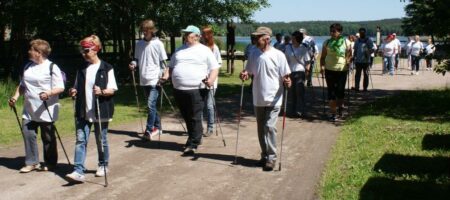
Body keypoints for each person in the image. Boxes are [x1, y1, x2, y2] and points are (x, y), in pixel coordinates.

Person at [65, 35, 118, 183]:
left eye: (86, 50)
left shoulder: (106, 68)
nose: (83, 53)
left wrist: (102, 91)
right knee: (80, 139)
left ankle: (103, 164)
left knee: (101, 139)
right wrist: (73, 91)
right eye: (82, 50)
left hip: (101, 108)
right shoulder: (81, 68)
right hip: (83, 109)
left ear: (95, 50)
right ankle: (78, 171)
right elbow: (76, 85)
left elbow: (112, 89)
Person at [8, 39, 65, 172]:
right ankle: (31, 162)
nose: (29, 52)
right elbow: (23, 85)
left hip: (46, 109)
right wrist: (15, 97)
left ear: (39, 52)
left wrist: (48, 93)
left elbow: (60, 87)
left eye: (31, 50)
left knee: (48, 137)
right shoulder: (28, 66)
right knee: (28, 134)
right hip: (29, 109)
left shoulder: (51, 67)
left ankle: (50, 162)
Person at [240, 26, 291, 171]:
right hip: (258, 97)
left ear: (267, 39)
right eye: (255, 37)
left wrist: (288, 82)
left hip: (275, 98)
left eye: (259, 38)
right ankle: (264, 155)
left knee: (269, 126)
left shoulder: (278, 55)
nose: (255, 40)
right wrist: (244, 74)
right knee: (260, 128)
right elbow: (248, 71)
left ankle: (272, 157)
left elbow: (286, 76)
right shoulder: (254, 53)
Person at [169, 25, 220, 155]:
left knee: (195, 115)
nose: (186, 36)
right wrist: (165, 76)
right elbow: (171, 66)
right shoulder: (179, 50)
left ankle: (193, 143)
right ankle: (193, 137)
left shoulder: (205, 50)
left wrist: (211, 80)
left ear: (197, 36)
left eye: (189, 33)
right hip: (179, 89)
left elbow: (214, 68)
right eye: (185, 33)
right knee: (186, 115)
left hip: (197, 89)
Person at [129, 19, 169, 141]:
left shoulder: (158, 44)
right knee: (152, 106)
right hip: (143, 78)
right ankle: (158, 127)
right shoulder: (139, 44)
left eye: (146, 31)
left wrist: (164, 76)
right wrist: (133, 64)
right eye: (143, 31)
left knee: (150, 105)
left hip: (155, 79)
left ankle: (149, 130)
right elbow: (136, 59)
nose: (144, 33)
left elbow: (163, 63)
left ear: (152, 31)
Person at [320, 23, 352, 121]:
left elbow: (349, 55)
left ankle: (340, 109)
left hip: (342, 70)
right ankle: (333, 113)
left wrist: (348, 61)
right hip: (329, 69)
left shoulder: (346, 42)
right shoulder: (327, 42)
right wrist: (321, 66)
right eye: (331, 31)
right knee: (331, 92)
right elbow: (323, 56)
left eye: (334, 31)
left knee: (340, 91)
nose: (332, 33)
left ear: (340, 32)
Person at [201, 25, 222, 137]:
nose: (202, 35)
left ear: (209, 35)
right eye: (201, 33)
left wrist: (211, 77)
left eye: (204, 33)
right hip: (199, 81)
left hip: (211, 80)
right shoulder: (199, 47)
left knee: (209, 105)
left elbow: (218, 64)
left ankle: (210, 127)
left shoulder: (214, 47)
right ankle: (199, 127)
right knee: (199, 105)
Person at [285, 31, 310, 118]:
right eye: (292, 38)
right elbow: (286, 60)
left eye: (293, 38)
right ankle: (293, 110)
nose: (292, 39)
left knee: (300, 92)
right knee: (292, 92)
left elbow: (307, 61)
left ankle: (302, 110)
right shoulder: (288, 47)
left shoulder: (303, 48)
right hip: (290, 72)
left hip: (300, 72)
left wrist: (307, 73)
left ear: (298, 39)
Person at [353, 28, 375, 92]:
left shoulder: (369, 40)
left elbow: (373, 49)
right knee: (357, 75)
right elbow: (355, 50)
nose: (362, 33)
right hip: (358, 61)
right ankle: (357, 88)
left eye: (363, 32)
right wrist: (354, 57)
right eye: (360, 32)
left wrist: (368, 52)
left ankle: (365, 88)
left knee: (366, 75)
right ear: (359, 33)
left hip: (366, 61)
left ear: (365, 32)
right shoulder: (357, 41)